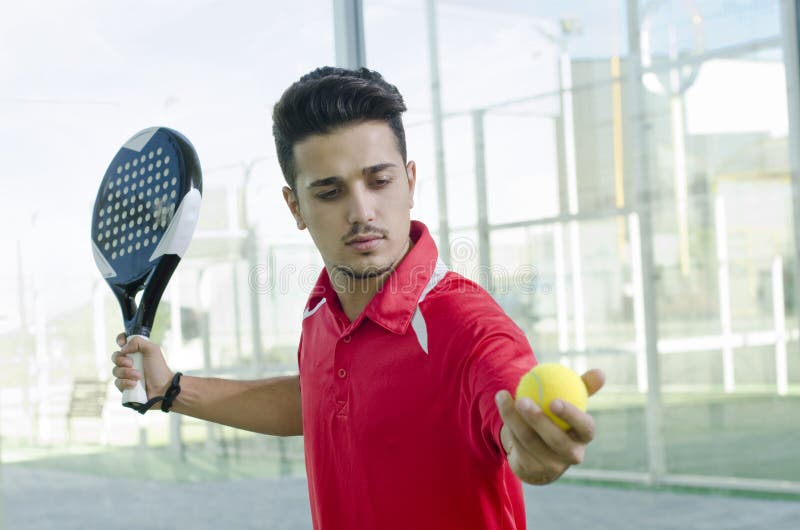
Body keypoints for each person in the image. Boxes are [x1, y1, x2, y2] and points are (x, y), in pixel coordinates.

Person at [111, 66, 605, 530]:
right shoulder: (321, 308)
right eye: (329, 192)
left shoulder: (468, 324)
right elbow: (316, 399)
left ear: (410, 182)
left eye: (380, 180)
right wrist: (172, 388)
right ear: (295, 206)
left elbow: (505, 401)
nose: (361, 211)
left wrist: (530, 446)